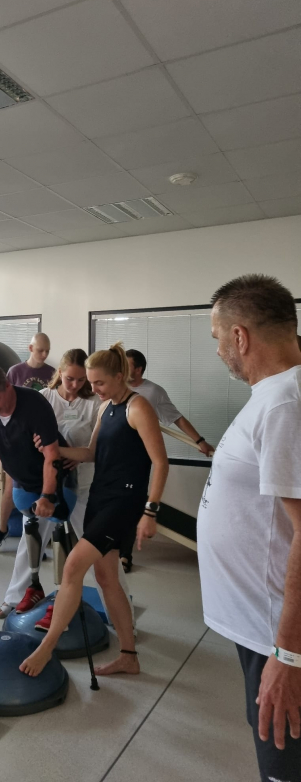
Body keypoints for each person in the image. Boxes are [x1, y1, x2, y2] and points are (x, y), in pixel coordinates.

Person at [198, 274, 301, 781]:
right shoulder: (275, 395)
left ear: (240, 336)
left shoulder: (285, 402)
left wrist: (289, 655)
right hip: (261, 628)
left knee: (283, 764)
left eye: (218, 337)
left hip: (276, 633)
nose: (219, 350)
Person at [19, 343, 169, 678]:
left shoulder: (138, 407)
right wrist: (51, 449)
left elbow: (160, 462)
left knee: (73, 567)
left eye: (99, 383)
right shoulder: (106, 408)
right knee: (106, 578)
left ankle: (46, 648)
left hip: (124, 501)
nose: (94, 389)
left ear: (120, 376)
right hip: (100, 496)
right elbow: (90, 453)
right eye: (91, 383)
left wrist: (151, 511)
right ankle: (129, 656)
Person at [0, 364, 74, 619]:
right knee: (30, 537)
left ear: (8, 386)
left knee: (81, 542)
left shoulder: (34, 405)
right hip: (23, 480)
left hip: (55, 479)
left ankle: (95, 602)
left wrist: (48, 496)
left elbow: (51, 455)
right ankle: (18, 596)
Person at [121, 348, 215, 573]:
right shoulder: (116, 387)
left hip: (140, 455)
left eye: (127, 365)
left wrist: (200, 441)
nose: (121, 369)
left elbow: (176, 418)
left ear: (138, 369)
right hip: (114, 454)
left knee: (131, 503)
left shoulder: (153, 391)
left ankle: (125, 553)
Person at [0, 333, 56, 554]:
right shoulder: (15, 371)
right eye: (40, 350)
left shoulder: (52, 373)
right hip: (13, 441)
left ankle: (40, 540)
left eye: (47, 351)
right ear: (30, 348)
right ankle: (1, 530)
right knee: (10, 487)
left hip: (40, 440)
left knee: (46, 483)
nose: (44, 354)